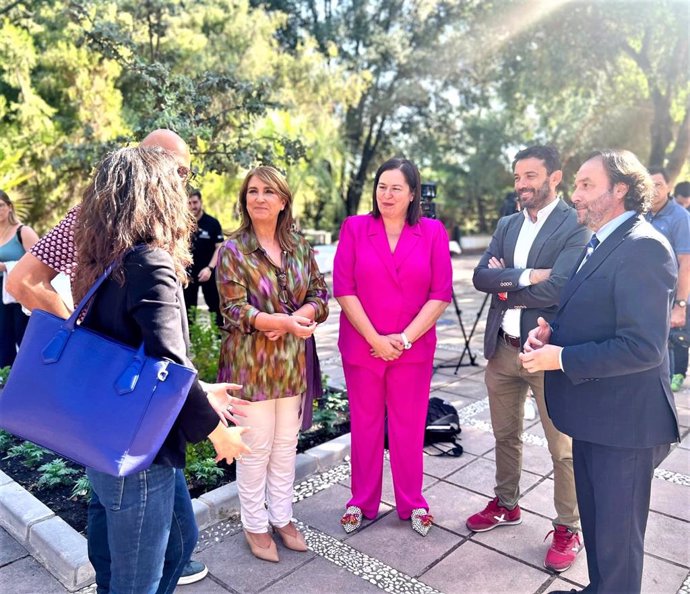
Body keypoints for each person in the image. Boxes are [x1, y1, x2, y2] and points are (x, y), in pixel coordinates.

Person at [6, 129, 232, 587]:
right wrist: (217, 431)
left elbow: (154, 344)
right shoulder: (142, 253)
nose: (183, 184)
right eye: (177, 172)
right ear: (151, 174)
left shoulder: (106, 231)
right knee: (139, 562)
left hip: (116, 409)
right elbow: (24, 284)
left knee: (160, 541)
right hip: (132, 412)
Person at [71, 146, 251, 593]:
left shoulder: (104, 259)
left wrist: (201, 389)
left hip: (105, 436)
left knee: (176, 544)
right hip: (140, 447)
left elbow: (143, 352)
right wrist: (218, 431)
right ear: (157, 195)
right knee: (138, 581)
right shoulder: (148, 261)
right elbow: (169, 364)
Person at [520, 149, 680, 594]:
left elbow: (642, 346)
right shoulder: (605, 240)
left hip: (625, 426)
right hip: (597, 418)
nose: (575, 195)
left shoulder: (643, 247)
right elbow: (601, 314)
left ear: (621, 189)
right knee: (599, 531)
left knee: (618, 544)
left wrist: (560, 358)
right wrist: (552, 333)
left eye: (587, 185)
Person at [468, 145, 590, 573]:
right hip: (502, 348)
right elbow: (479, 276)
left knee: (563, 449)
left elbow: (558, 288)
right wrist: (524, 276)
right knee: (505, 435)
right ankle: (506, 504)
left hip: (546, 351)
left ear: (555, 177)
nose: (521, 184)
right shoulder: (506, 224)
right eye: (518, 176)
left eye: (531, 176)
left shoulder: (575, 224)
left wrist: (505, 285)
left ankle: (567, 527)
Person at [333, 157, 452, 537]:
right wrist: (375, 340)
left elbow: (441, 294)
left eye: (396, 187)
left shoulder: (432, 233)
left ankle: (412, 502)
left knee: (409, 427)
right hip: (362, 348)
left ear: (413, 193)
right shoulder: (355, 228)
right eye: (382, 186)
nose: (387, 194)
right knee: (365, 426)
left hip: (411, 351)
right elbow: (343, 288)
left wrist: (402, 340)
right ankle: (361, 501)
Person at [216, 166, 329, 562]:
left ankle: (282, 515)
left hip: (293, 363)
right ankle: (255, 524)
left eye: (268, 191)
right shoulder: (231, 251)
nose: (259, 198)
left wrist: (307, 314)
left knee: (285, 445)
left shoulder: (299, 245)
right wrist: (277, 321)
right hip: (251, 366)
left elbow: (320, 292)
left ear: (283, 201)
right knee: (256, 447)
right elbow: (232, 310)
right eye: (252, 191)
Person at [646, 167, 690, 392]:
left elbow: (686, 263)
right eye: (648, 184)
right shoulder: (640, 214)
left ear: (669, 186)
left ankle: (674, 378)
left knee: (673, 342)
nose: (653, 190)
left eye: (658, 185)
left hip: (671, 296)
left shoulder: (680, 218)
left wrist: (680, 305)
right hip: (645, 295)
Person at [0, 190, 39, 367]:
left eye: (1, 205)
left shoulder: (23, 232)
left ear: (9, 207)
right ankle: (5, 377)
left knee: (23, 335)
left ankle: (29, 374)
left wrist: (6, 266)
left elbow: (39, 262)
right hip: (0, 293)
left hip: (19, 291)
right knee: (3, 336)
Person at [184, 189, 224, 327]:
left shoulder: (212, 223)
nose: (192, 206)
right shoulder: (183, 223)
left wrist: (209, 268)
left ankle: (219, 340)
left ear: (200, 202)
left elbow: (220, 248)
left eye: (195, 202)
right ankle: (190, 343)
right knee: (189, 311)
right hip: (188, 274)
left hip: (209, 272)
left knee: (215, 308)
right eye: (189, 203)